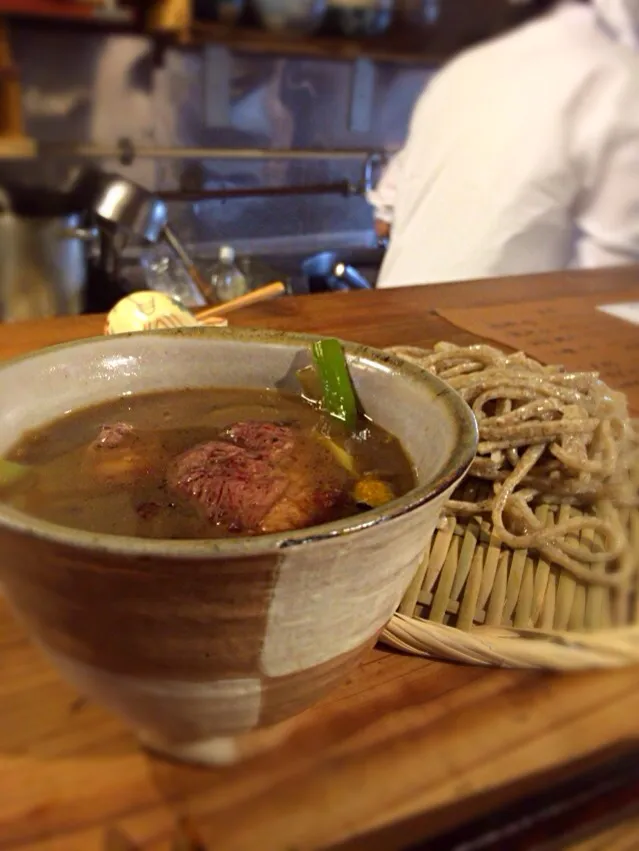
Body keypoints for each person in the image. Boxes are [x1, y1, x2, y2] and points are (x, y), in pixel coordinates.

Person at [369, 0, 639, 289]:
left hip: (396, 313)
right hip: (493, 324)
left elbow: (388, 208)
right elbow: (614, 279)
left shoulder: (468, 66)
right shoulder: (619, 79)